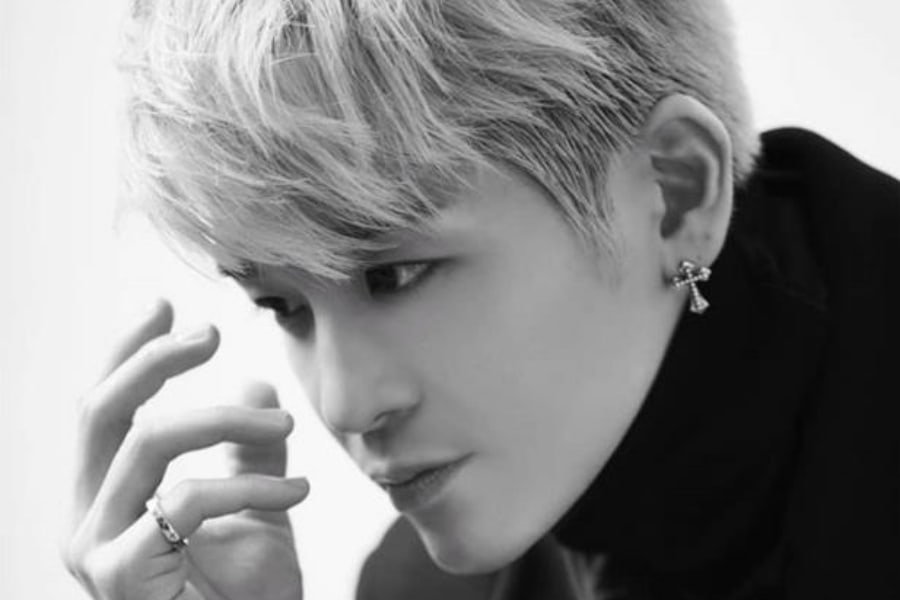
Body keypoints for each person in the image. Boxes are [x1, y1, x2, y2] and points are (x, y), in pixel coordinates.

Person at [64, 1, 900, 598]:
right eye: (284, 306)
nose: (345, 404)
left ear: (675, 192)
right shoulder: (419, 585)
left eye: (395, 274)